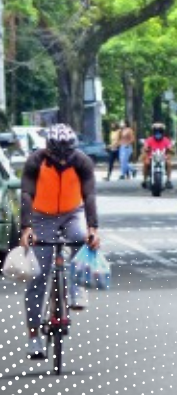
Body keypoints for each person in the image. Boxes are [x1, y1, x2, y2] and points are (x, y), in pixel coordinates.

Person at [18, 124, 100, 359]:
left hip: (72, 212)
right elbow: (26, 194)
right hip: (41, 216)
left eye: (68, 155)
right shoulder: (35, 161)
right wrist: (26, 229)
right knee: (38, 277)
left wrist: (93, 228)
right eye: (58, 155)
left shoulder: (82, 162)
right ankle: (34, 338)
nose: (63, 161)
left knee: (80, 238)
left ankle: (77, 288)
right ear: (48, 150)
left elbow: (90, 195)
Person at [141, 121, 173, 189]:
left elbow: (170, 148)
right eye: (156, 131)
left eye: (160, 131)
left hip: (162, 157)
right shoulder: (149, 140)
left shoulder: (166, 140)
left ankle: (169, 180)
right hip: (151, 157)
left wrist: (170, 150)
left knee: (169, 163)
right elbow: (145, 147)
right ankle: (144, 180)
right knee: (146, 163)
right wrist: (146, 149)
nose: (158, 133)